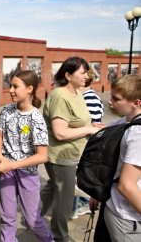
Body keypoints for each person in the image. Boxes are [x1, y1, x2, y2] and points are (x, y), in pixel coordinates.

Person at [40, 57, 103, 242]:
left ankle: (33, 217)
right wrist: (89, 129)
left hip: (70, 154)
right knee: (65, 200)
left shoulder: (76, 92)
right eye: (83, 73)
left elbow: (76, 121)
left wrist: (92, 125)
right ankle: (60, 236)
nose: (87, 76)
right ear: (68, 75)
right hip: (61, 157)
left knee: (53, 188)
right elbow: (60, 133)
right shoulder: (60, 96)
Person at [0, 70, 53, 242]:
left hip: (27, 173)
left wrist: (11, 165)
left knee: (32, 220)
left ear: (29, 89)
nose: (10, 90)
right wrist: (0, 157)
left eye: (15, 86)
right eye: (10, 85)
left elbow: (42, 156)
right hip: (6, 171)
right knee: (7, 216)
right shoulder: (6, 111)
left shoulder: (37, 119)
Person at [90, 74, 141, 242]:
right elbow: (126, 186)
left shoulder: (119, 124)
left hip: (112, 206)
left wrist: (96, 193)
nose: (109, 101)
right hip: (128, 216)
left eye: (116, 98)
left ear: (136, 103)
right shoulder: (137, 133)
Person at [70, 69, 105, 220]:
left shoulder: (89, 99)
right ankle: (77, 204)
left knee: (76, 178)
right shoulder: (82, 96)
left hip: (84, 147)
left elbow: (92, 127)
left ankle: (77, 206)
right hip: (80, 146)